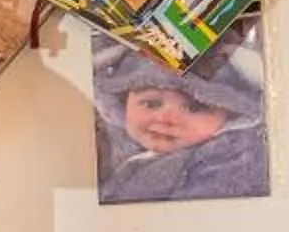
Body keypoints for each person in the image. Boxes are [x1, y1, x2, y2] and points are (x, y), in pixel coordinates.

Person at [94, 26, 270, 202]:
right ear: (122, 101)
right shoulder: (110, 150)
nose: (166, 119)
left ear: (233, 115)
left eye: (194, 108)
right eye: (151, 103)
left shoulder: (229, 163)